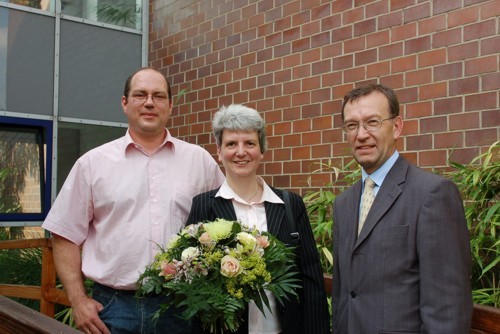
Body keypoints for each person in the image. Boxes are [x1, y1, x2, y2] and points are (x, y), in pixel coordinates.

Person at [42, 67, 225, 334]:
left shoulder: (200, 162)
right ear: (124, 103)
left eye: (159, 96)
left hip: (184, 308)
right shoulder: (93, 164)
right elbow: (65, 234)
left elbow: (227, 223)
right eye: (140, 95)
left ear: (170, 105)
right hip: (112, 310)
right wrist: (78, 300)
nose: (150, 102)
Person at [332, 84, 473, 333]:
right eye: (352, 125)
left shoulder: (432, 194)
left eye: (372, 122)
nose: (361, 134)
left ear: (396, 126)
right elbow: (347, 295)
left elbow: (447, 310)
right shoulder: (343, 203)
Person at [186, 104, 330, 334]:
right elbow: (192, 288)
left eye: (250, 143)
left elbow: (311, 281)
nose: (240, 152)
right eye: (231, 144)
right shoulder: (203, 206)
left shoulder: (290, 205)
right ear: (219, 151)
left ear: (261, 150)